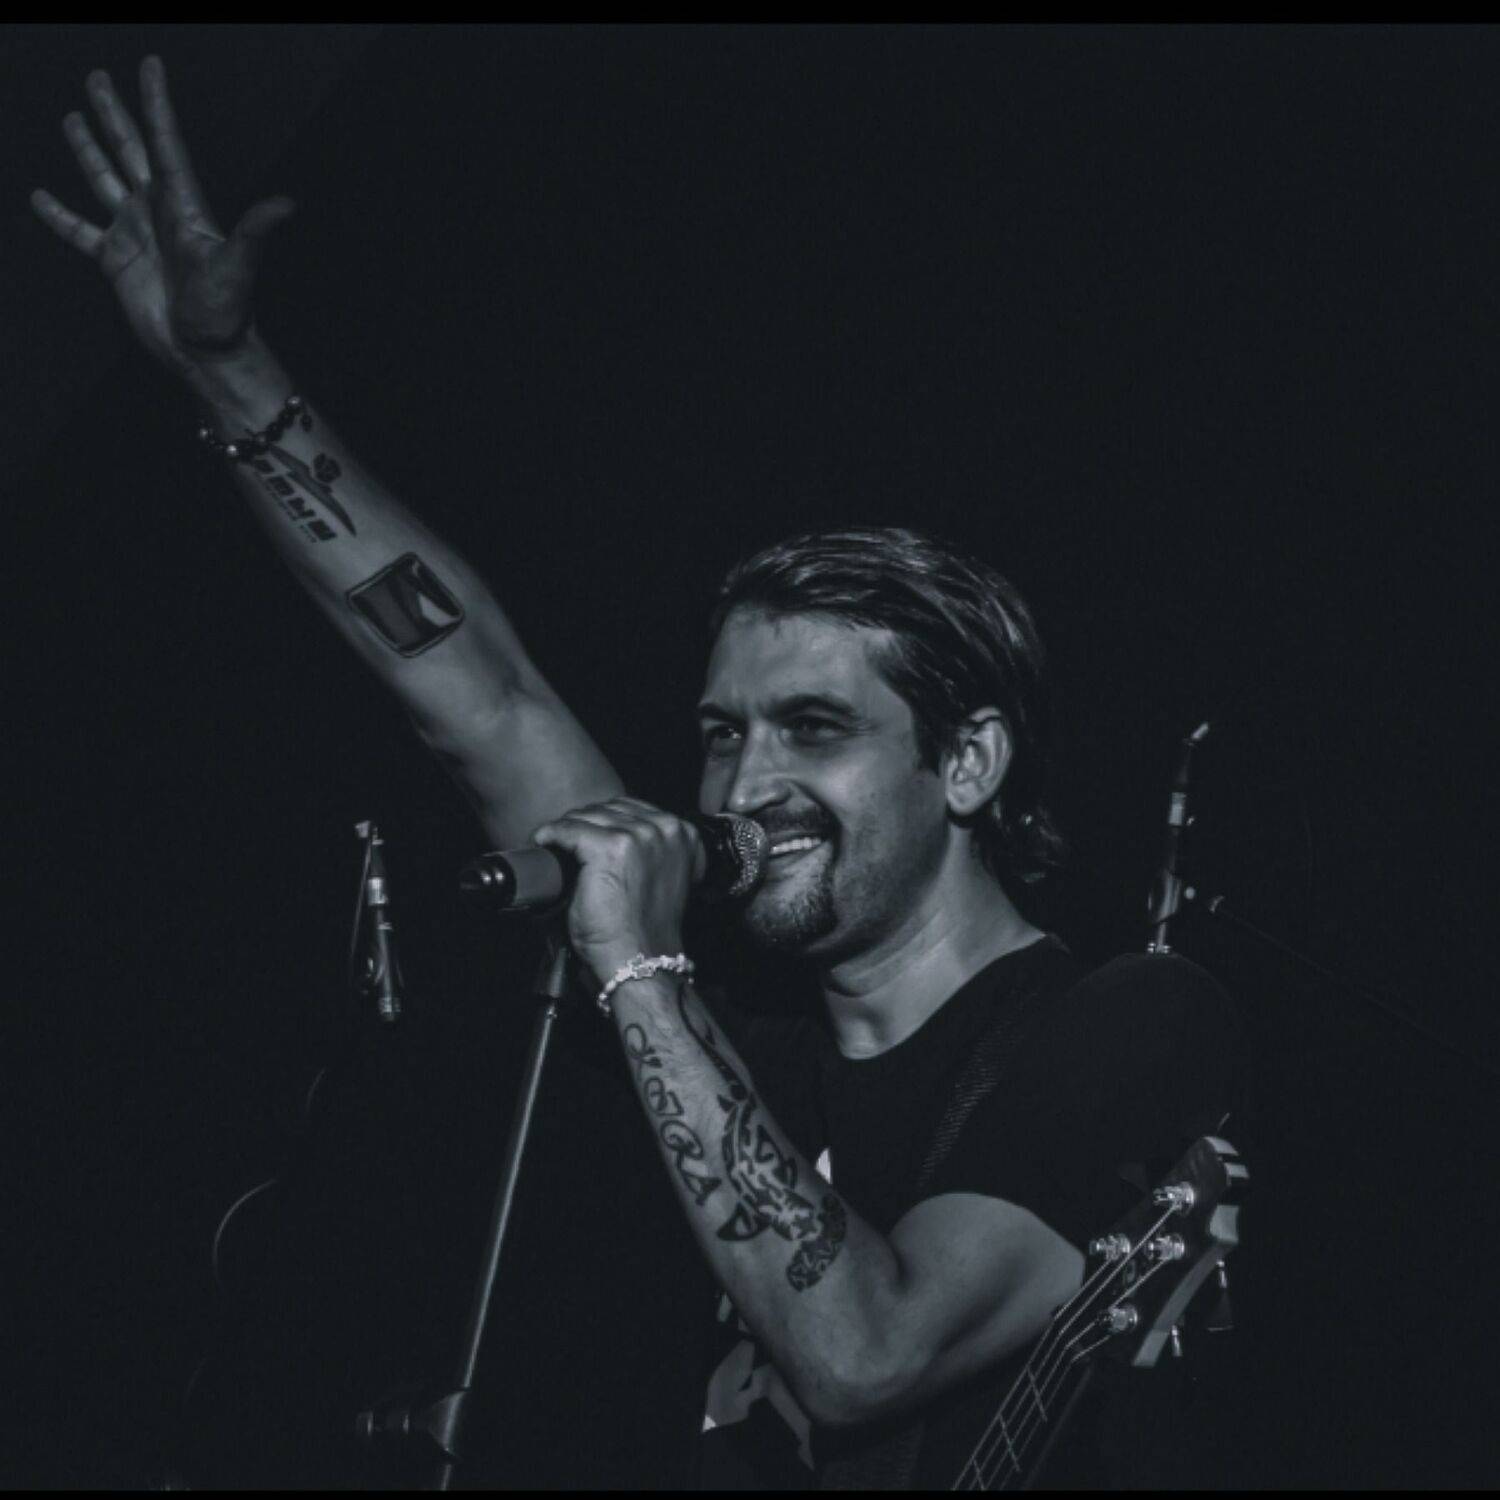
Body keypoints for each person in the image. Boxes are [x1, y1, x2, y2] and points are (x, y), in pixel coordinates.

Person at [34, 59, 1242, 1488]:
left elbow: (866, 1353)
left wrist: (642, 972)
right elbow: (472, 684)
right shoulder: (742, 1025)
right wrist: (226, 367)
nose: (744, 785)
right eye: (724, 732)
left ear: (968, 762)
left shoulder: (1121, 1026)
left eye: (815, 727)